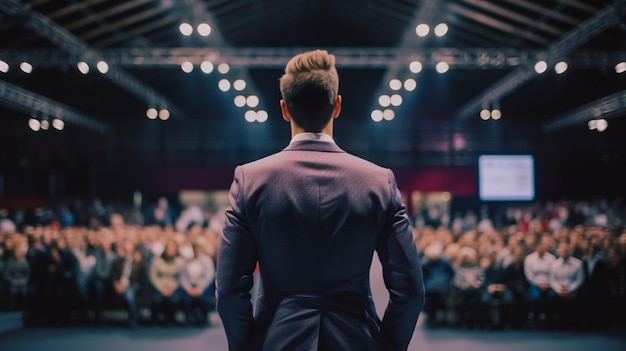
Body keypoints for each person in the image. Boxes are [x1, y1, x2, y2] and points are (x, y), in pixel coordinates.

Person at [216, 50, 424, 351]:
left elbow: (229, 291)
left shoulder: (250, 179)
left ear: (285, 109)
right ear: (337, 105)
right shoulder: (379, 181)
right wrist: (386, 345)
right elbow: (411, 290)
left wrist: (249, 345)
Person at [111, 242, 146, 328]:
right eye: (126, 250)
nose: (128, 252)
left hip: (132, 286)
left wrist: (138, 262)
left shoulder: (139, 262)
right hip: (119, 285)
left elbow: (141, 279)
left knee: (129, 296)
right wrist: (116, 284)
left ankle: (134, 320)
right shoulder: (118, 260)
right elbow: (114, 275)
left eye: (130, 250)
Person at [149, 240, 183, 325]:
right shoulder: (157, 260)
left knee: (174, 299)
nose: (171, 252)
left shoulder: (179, 262)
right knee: (157, 300)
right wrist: (162, 289)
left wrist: (171, 289)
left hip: (173, 288)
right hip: (159, 288)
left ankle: (170, 319)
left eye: (173, 250)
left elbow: (180, 278)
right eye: (169, 249)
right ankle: (156, 319)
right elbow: (153, 276)